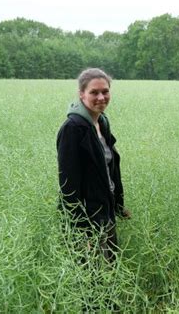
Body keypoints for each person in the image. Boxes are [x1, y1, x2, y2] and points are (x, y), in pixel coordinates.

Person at [57, 68, 130, 263]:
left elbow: (108, 170)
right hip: (88, 219)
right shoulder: (72, 129)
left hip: (105, 212)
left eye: (105, 91)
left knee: (111, 270)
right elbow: (68, 185)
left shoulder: (101, 122)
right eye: (94, 92)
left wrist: (118, 204)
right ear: (81, 94)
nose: (101, 97)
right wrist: (81, 231)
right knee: (94, 280)